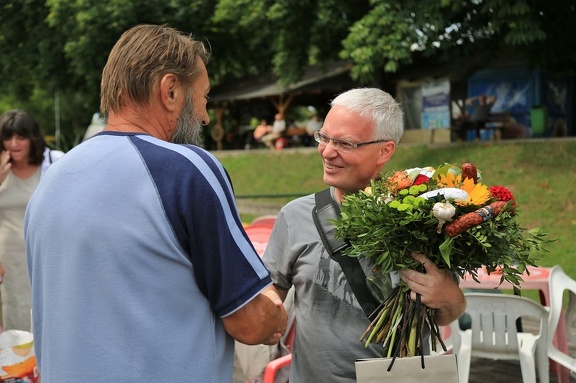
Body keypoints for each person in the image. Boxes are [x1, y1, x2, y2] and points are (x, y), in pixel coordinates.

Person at [24, 24, 287, 382]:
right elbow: (250, 323)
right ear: (171, 90)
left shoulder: (50, 180)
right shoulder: (185, 169)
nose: (206, 116)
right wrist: (275, 310)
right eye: (204, 96)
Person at [262, 88, 466, 383]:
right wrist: (268, 316)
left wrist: (447, 295)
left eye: (345, 143)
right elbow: (273, 287)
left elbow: (449, 312)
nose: (327, 151)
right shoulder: (295, 216)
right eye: (325, 137)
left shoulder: (426, 220)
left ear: (385, 150)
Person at [0, 109, 64, 331]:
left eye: (21, 136)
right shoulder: (1, 168)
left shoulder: (54, 163)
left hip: (43, 255)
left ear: (33, 138)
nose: (13, 143)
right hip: (6, 260)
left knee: (45, 314)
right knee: (12, 315)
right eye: (8, 137)